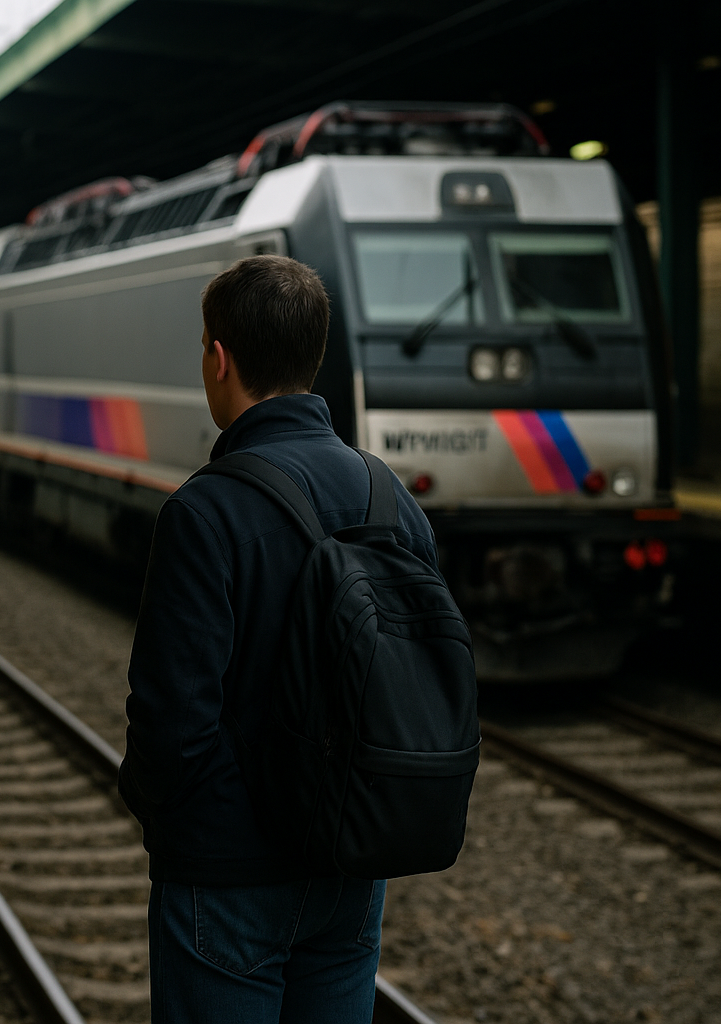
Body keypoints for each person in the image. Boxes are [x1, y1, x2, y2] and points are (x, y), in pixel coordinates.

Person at [119, 254, 439, 1023]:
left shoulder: (205, 512)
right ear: (313, 356)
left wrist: (172, 822)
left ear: (219, 359)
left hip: (228, 876)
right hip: (352, 867)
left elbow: (171, 720)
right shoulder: (387, 494)